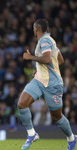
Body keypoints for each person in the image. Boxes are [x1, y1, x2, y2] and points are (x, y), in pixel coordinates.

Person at [17, 19, 76, 150]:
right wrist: (39, 70)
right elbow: (59, 60)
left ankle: (72, 138)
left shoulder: (45, 41)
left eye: (33, 28)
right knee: (21, 104)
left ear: (36, 29)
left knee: (57, 117)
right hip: (39, 80)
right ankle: (32, 134)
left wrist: (30, 57)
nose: (33, 30)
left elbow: (48, 59)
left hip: (53, 85)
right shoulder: (51, 42)